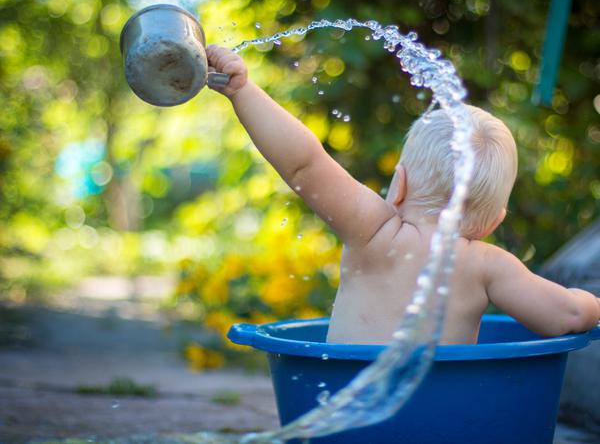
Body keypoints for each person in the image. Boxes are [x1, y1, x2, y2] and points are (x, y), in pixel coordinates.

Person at [205, 45, 600, 345]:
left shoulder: (373, 232)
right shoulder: (489, 266)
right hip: (437, 421)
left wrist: (243, 90)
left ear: (399, 185)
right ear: (496, 219)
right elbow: (565, 316)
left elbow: (304, 163)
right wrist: (593, 303)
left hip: (344, 403)